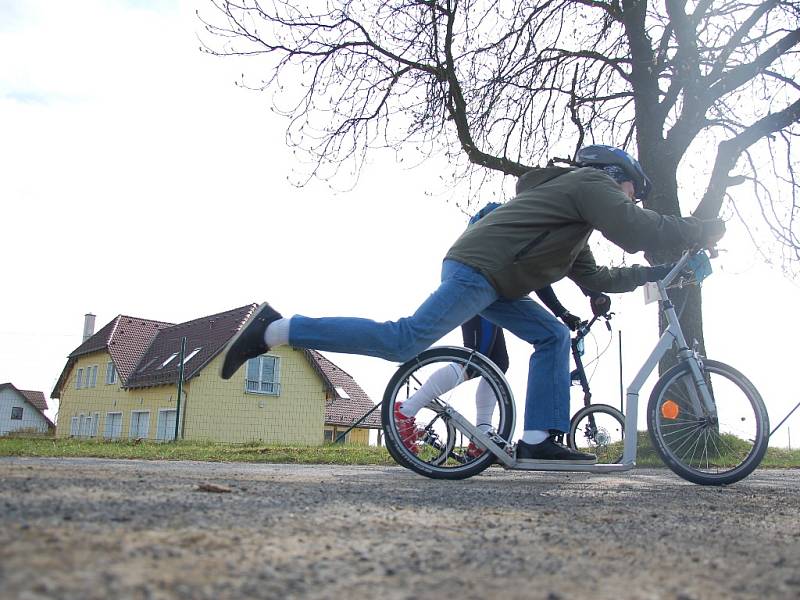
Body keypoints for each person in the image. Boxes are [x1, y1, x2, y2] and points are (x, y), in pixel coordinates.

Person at [221, 144, 726, 463]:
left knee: (551, 335)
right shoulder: (588, 183)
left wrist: (665, 272)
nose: (633, 200)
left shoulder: (575, 226)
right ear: (614, 173)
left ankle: (536, 438)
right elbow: (636, 230)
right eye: (633, 189)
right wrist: (699, 230)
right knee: (403, 340)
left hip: (497, 282)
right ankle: (275, 329)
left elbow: (600, 276)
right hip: (478, 271)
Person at [395, 200, 611, 458]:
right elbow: (537, 278)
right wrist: (561, 311)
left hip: (487, 280)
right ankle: (406, 410)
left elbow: (539, 274)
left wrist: (566, 309)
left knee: (498, 363)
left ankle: (482, 433)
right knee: (477, 358)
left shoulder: (525, 220)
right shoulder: (528, 227)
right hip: (480, 282)